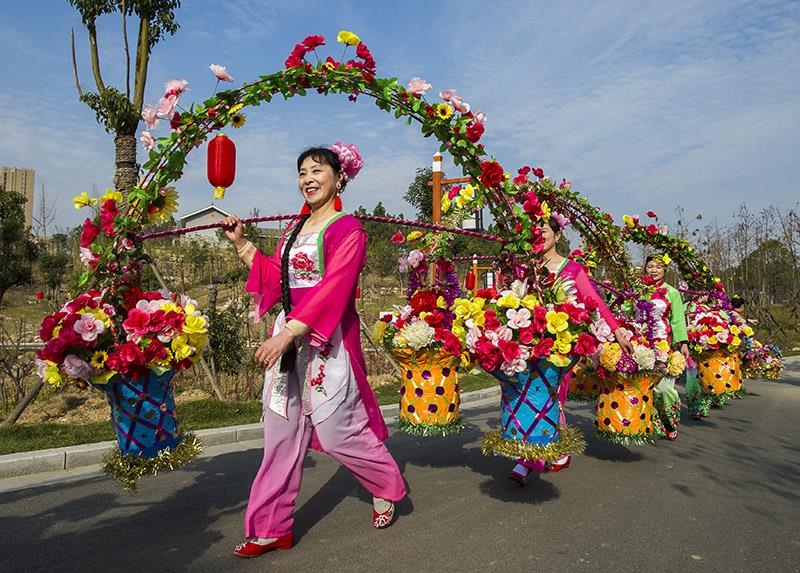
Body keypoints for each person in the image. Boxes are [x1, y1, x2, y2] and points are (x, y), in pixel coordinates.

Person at [222, 144, 406, 558]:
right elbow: (280, 281)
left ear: (339, 177)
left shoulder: (348, 230)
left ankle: (384, 486)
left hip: (328, 342)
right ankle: (270, 528)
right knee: (279, 433)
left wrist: (288, 334)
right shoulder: (292, 230)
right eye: (302, 171)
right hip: (287, 343)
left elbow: (334, 289)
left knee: (338, 433)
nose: (308, 178)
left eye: (317, 169)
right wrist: (242, 245)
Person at [508, 215, 633, 485]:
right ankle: (552, 451)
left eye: (544, 232)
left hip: (560, 351)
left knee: (550, 399)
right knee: (527, 398)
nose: (539, 237)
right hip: (529, 346)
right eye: (534, 233)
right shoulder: (524, 270)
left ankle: (528, 461)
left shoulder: (572, 269)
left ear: (557, 236)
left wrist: (617, 331)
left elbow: (595, 302)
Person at [643, 254, 690, 440]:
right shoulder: (639, 290)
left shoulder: (673, 293)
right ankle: (650, 424)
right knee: (646, 387)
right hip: (642, 346)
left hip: (665, 347)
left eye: (658, 267)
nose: (653, 270)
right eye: (650, 266)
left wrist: (683, 343)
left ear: (665, 270)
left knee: (664, 390)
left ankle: (670, 421)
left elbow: (678, 320)